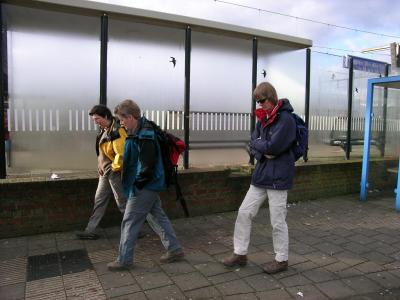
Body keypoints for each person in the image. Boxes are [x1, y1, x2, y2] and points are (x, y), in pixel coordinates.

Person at [222, 82, 296, 274]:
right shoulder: (262, 119)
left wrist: (263, 147)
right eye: (257, 101)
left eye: (262, 100)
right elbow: (254, 144)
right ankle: (240, 253)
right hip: (262, 175)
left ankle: (281, 259)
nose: (260, 105)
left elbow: (273, 147)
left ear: (271, 97)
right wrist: (264, 150)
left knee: (277, 221)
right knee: (244, 212)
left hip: (278, 178)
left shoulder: (286, 120)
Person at [107, 99, 184, 271]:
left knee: (129, 221)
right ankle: (175, 249)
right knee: (157, 216)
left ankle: (124, 260)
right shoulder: (140, 127)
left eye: (122, 120)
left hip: (145, 185)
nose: (121, 124)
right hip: (150, 184)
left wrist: (137, 185)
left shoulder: (145, 135)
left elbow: (147, 165)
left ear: (131, 117)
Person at [76, 105, 170, 245]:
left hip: (115, 172)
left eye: (97, 118)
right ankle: (90, 230)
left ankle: (135, 231)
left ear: (106, 116)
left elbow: (121, 154)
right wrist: (100, 166)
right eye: (94, 119)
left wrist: (113, 169)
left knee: (124, 202)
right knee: (100, 200)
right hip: (106, 172)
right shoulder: (106, 130)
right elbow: (102, 152)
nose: (95, 121)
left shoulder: (117, 131)